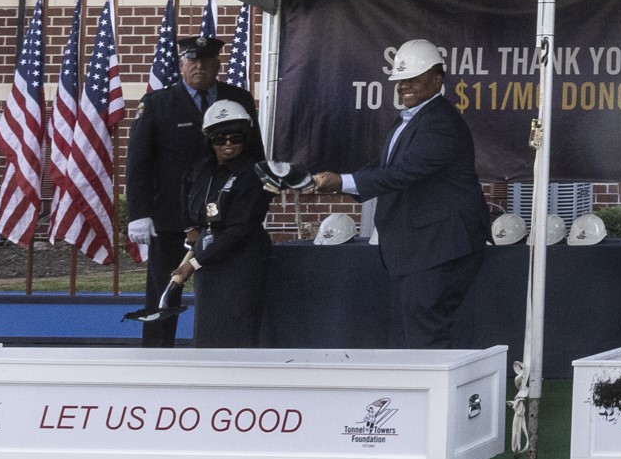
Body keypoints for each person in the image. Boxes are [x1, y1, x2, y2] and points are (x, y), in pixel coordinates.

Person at [309, 39, 488, 350]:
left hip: (440, 248)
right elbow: (384, 165)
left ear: (437, 79)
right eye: (400, 80)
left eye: (413, 79)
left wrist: (342, 182)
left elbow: (403, 173)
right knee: (421, 330)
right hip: (423, 247)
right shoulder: (412, 118)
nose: (404, 86)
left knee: (426, 333)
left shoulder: (440, 123)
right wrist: (335, 180)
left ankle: (435, 397)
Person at [123, 36, 252, 348]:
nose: (200, 67)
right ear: (181, 65)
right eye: (192, 61)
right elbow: (138, 162)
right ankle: (156, 358)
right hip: (172, 216)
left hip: (228, 213)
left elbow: (253, 154)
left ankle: (224, 357)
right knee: (165, 290)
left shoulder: (239, 100)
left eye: (207, 61)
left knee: (227, 290)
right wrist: (139, 213)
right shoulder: (156, 104)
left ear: (218, 65)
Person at [180, 99, 276, 349]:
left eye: (236, 138)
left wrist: (194, 264)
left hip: (241, 260)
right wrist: (192, 231)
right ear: (208, 140)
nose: (228, 145)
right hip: (208, 258)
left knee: (237, 331)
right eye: (219, 139)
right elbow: (190, 204)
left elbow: (240, 229)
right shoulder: (201, 169)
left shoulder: (254, 173)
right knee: (208, 330)